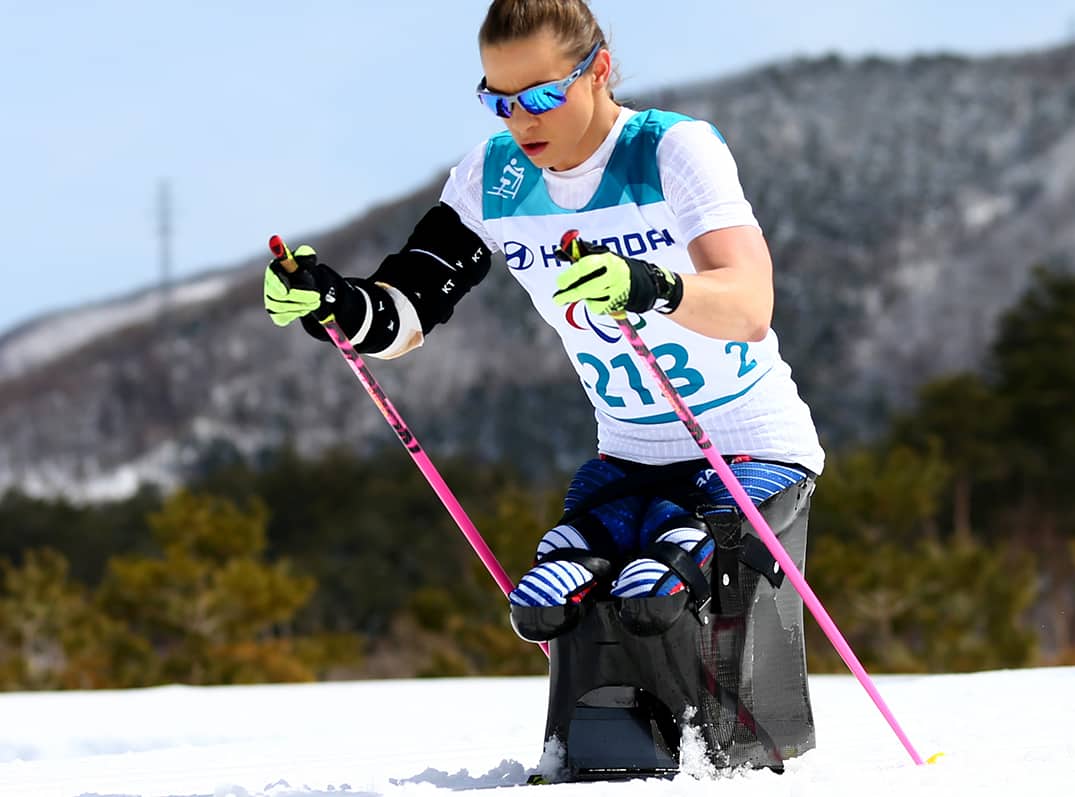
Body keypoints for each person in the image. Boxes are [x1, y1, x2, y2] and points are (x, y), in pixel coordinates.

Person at [262, 0, 824, 644]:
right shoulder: (490, 178)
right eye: (499, 101)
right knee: (543, 602)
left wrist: (649, 284)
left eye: (541, 96)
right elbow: (405, 314)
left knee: (659, 592)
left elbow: (750, 306)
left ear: (598, 70)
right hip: (630, 456)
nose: (520, 121)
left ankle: (713, 743)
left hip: (749, 445)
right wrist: (333, 302)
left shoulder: (671, 150)